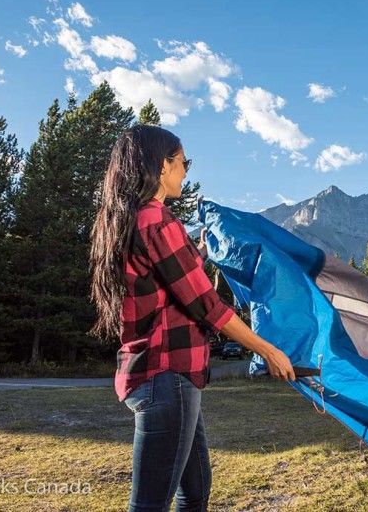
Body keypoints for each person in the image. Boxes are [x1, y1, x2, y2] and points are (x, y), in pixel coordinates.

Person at [89, 124, 295, 511]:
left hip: (166, 379)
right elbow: (207, 306)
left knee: (195, 492)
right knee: (151, 504)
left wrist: (197, 253)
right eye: (184, 162)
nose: (187, 170)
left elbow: (170, 282)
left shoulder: (134, 220)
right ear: (162, 165)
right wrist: (267, 350)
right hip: (166, 377)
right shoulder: (157, 221)